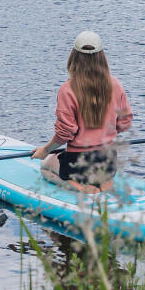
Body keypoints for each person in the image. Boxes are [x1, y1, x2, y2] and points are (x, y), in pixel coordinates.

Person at [33, 30, 133, 186]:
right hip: (108, 163)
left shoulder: (67, 89)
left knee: (45, 166)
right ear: (101, 58)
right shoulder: (116, 85)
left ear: (74, 57)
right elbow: (125, 123)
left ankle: (79, 187)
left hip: (78, 166)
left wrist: (45, 150)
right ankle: (102, 184)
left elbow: (64, 134)